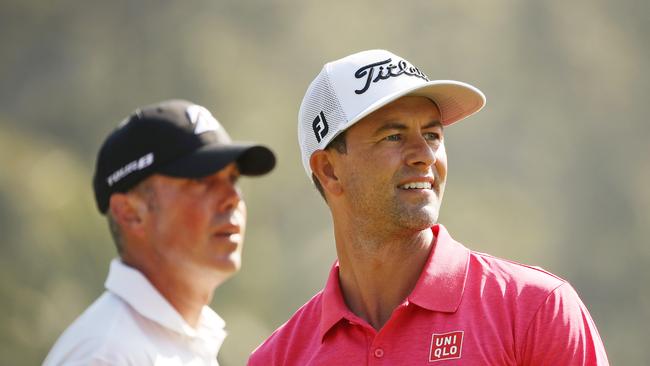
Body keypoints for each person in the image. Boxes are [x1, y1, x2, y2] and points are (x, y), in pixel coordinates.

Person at [248, 50, 609, 365]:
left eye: (433, 135)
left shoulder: (536, 310)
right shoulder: (278, 357)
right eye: (393, 136)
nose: (424, 155)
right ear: (329, 171)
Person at [43, 99, 276, 365]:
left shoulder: (185, 341)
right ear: (130, 213)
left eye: (233, 179)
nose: (232, 197)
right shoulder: (104, 356)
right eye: (201, 179)